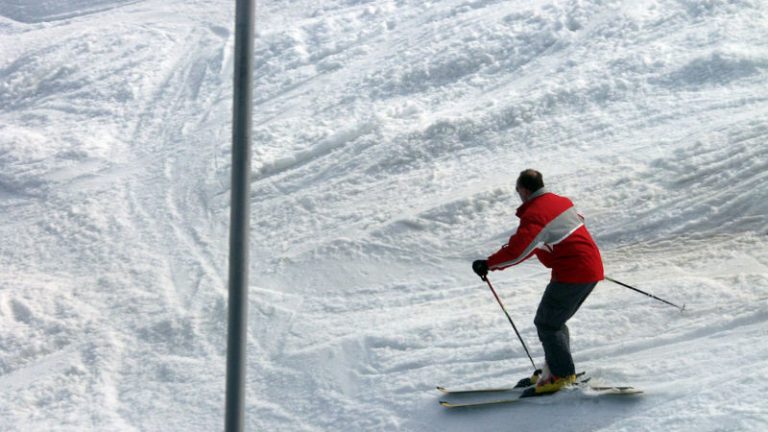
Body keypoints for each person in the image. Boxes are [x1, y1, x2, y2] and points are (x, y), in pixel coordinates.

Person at [472, 169, 604, 395]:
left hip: (574, 272)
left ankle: (561, 375)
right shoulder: (560, 201)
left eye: (517, 192)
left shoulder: (535, 213)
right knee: (553, 320)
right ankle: (555, 368)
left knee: (547, 323)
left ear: (523, 190)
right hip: (587, 268)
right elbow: (568, 229)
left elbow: (517, 250)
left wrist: (488, 264)